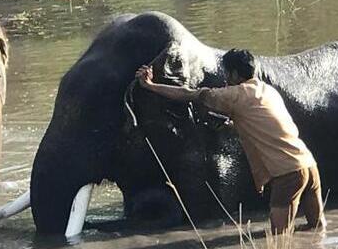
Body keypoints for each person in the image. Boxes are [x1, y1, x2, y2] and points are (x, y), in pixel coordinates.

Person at [136, 48, 326, 234]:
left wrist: (150, 86)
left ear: (234, 73)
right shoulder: (267, 91)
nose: (225, 78)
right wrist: (230, 125)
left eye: (226, 73)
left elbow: (189, 94)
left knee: (279, 238)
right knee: (317, 229)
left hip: (288, 174)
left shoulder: (235, 94)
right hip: (308, 165)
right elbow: (266, 127)